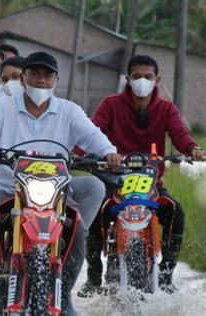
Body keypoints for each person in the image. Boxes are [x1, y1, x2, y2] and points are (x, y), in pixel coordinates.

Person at [0, 51, 121, 315]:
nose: (41, 80)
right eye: (34, 74)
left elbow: (93, 136)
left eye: (47, 75)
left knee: (82, 219)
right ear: (23, 78)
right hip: (9, 191)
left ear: (56, 79)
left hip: (56, 195)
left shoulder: (69, 110)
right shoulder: (4, 106)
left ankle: (64, 292)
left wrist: (108, 152)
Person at [77, 55, 205, 297]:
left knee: (175, 212)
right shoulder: (110, 104)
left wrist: (192, 149)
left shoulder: (166, 109)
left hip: (150, 183)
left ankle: (166, 276)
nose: (142, 81)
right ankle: (94, 278)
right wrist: (77, 153)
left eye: (148, 77)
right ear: (128, 79)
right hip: (112, 181)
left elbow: (180, 135)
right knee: (95, 214)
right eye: (136, 77)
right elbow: (91, 132)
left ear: (157, 79)